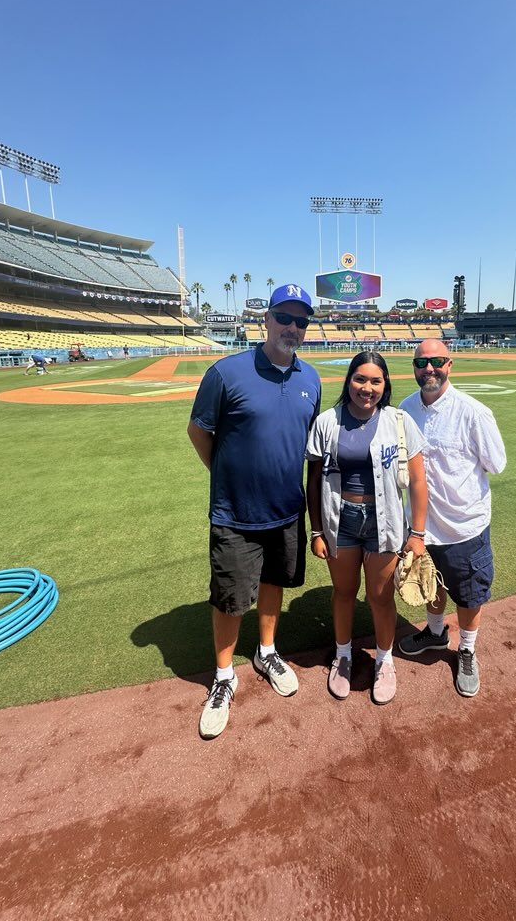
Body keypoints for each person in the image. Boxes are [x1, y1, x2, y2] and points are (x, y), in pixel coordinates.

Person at [187, 283, 321, 739]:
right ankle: (223, 677)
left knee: (273, 584)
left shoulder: (311, 379)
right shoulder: (226, 373)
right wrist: (226, 473)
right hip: (235, 513)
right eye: (284, 317)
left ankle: (266, 651)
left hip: (286, 510)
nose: (292, 327)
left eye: (301, 321)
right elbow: (198, 431)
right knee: (229, 597)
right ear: (265, 320)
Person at [306, 352, 427, 705]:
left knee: (379, 596)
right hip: (339, 520)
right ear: (348, 381)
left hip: (384, 521)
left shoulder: (400, 421)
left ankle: (385, 662)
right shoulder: (327, 421)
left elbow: (418, 481)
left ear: (385, 384)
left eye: (375, 381)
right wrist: (316, 531)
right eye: (360, 379)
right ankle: (343, 655)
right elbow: (313, 483)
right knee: (344, 592)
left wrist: (417, 534)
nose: (367, 388)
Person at [398, 339, 506, 697]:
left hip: (464, 525)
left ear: (450, 364)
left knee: (469, 592)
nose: (429, 368)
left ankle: (467, 649)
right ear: (414, 367)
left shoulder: (474, 412)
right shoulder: (405, 409)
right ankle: (434, 632)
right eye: (422, 362)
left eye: (437, 361)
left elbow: (496, 463)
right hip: (422, 526)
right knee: (432, 584)